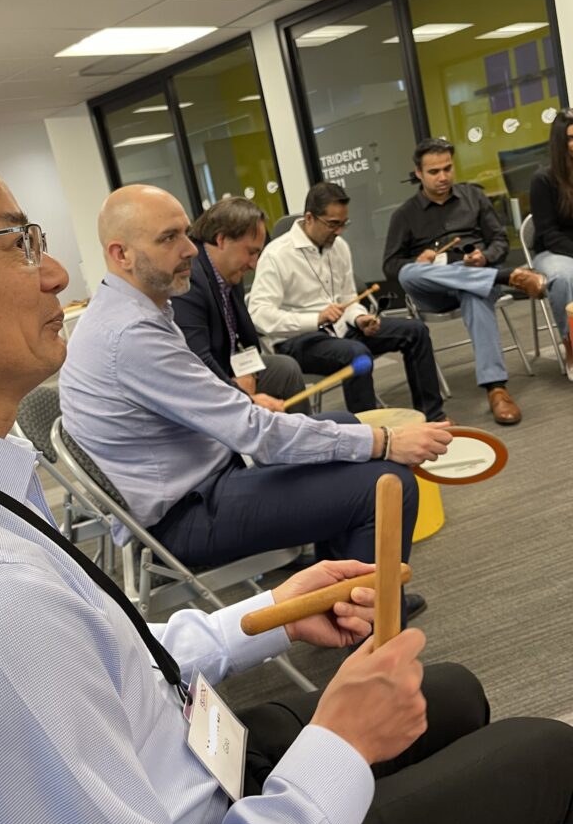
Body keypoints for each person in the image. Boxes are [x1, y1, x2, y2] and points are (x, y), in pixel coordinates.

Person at [0, 131, 573, 824]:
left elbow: (103, 662)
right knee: (549, 759)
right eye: (15, 242)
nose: (52, 272)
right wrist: (339, 744)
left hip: (175, 759)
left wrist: (270, 613)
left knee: (452, 696)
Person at [59, 184, 451, 593]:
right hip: (183, 517)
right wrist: (385, 442)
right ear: (121, 255)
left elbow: (231, 413)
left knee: (343, 422)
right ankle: (372, 638)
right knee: (389, 486)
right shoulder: (131, 334)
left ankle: (336, 602)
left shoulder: (129, 311)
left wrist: (364, 439)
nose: (191, 249)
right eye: (168, 238)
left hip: (196, 482)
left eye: (185, 233)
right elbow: (255, 433)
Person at [247, 182, 447, 421]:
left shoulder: (339, 246)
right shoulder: (276, 254)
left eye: (344, 224)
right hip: (297, 341)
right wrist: (315, 319)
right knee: (356, 354)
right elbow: (259, 315)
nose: (339, 231)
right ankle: (365, 432)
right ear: (309, 218)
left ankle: (433, 417)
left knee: (416, 331)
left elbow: (347, 300)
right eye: (333, 224)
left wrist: (359, 317)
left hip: (341, 331)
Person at [384, 137, 548, 425]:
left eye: (448, 169)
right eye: (434, 172)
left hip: (475, 277)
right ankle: (509, 277)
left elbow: (498, 240)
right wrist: (417, 261)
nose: (443, 177)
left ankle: (496, 389)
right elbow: (391, 267)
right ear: (419, 173)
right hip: (434, 289)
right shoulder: (405, 215)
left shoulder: (474, 197)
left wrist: (484, 258)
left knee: (473, 292)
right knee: (409, 272)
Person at [172, 196, 305, 411]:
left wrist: (249, 372)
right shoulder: (191, 279)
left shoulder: (230, 269)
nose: (255, 264)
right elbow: (199, 362)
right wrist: (245, 397)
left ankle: (300, 439)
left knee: (285, 369)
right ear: (222, 239)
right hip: (206, 382)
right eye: (251, 252)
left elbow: (244, 336)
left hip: (230, 366)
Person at [529, 108, 573, 380]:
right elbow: (548, 233)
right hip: (552, 250)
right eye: (569, 138)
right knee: (567, 276)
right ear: (559, 143)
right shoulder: (543, 179)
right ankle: (571, 345)